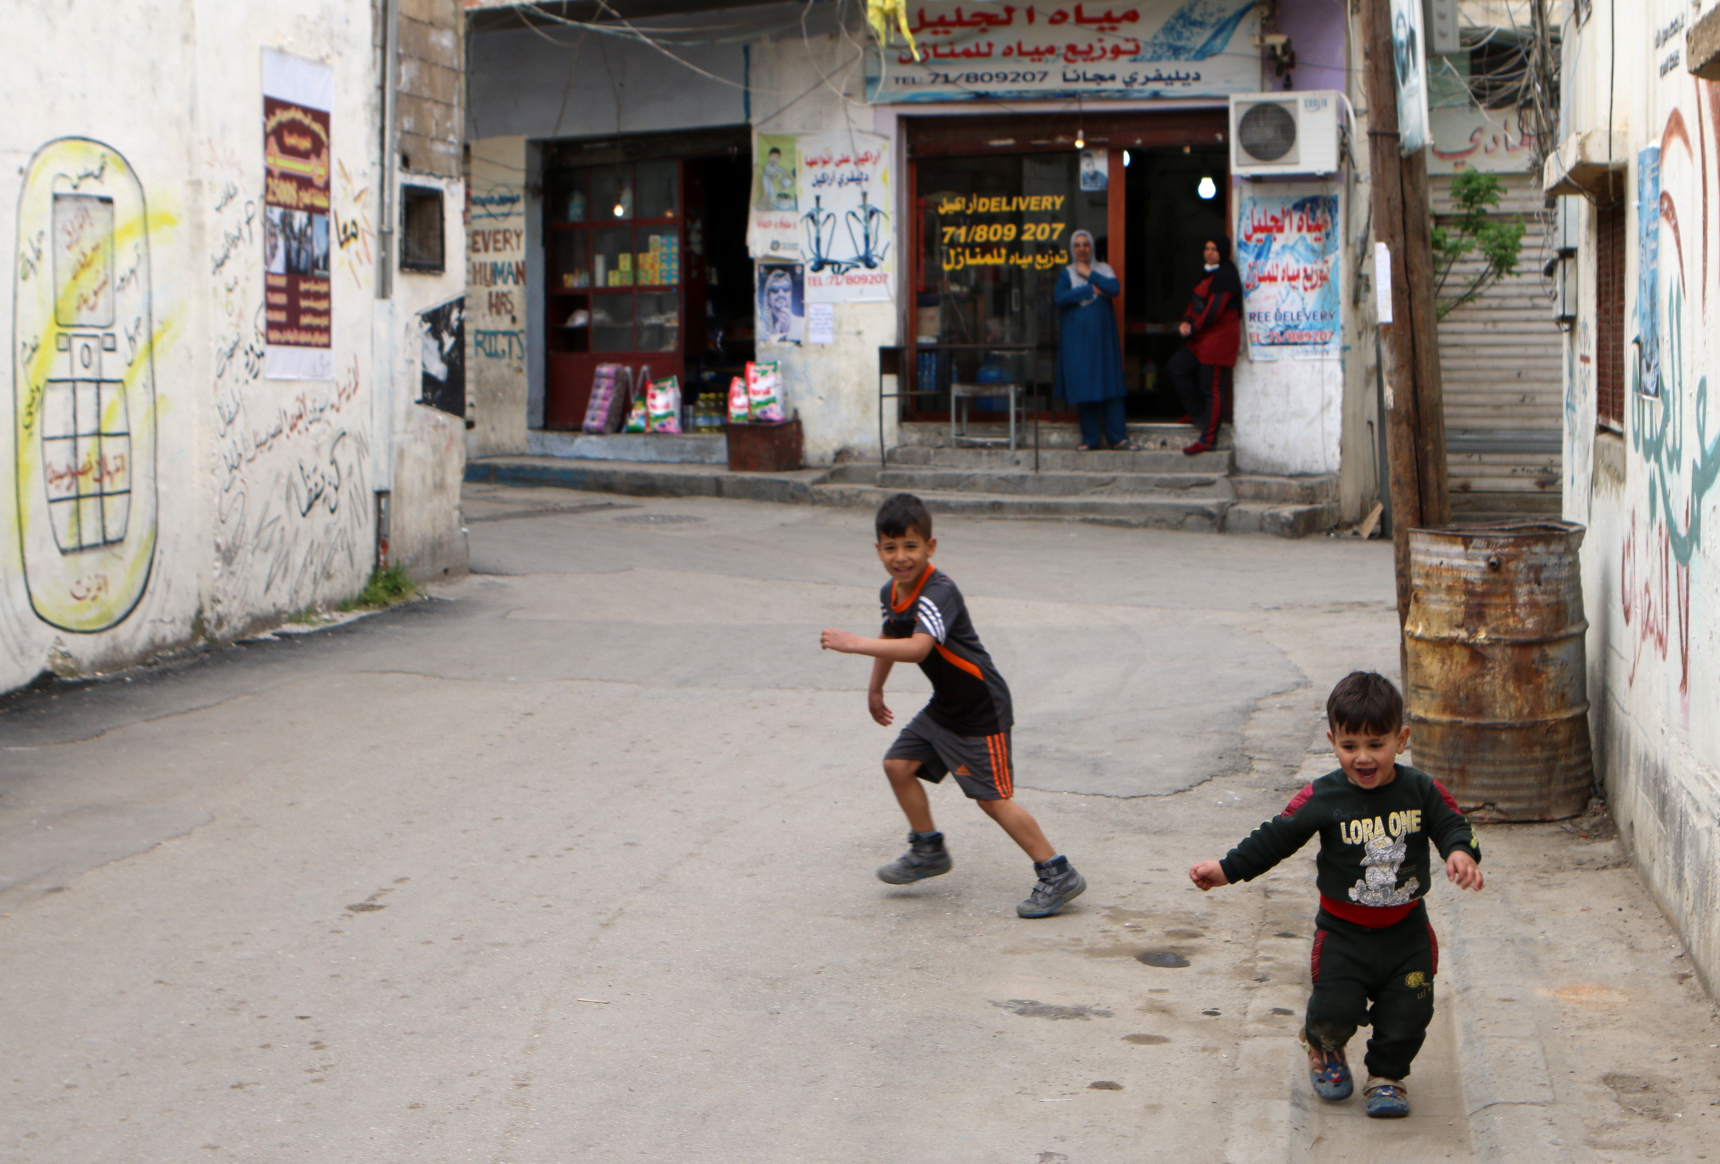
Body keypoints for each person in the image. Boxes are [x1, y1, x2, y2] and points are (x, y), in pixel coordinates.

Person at [1187, 672, 1484, 1120]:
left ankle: (1386, 1077)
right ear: (1333, 741)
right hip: (1343, 935)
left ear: (1401, 739)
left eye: (1376, 744)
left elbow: (1452, 822)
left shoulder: (1420, 790)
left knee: (1410, 1011)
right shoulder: (1323, 796)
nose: (1363, 758)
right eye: (1349, 746)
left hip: (1408, 935)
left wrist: (1461, 852)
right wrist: (1228, 869)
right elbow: (1277, 837)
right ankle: (1324, 1047)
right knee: (1333, 1009)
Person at [819, 493, 1088, 918]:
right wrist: (875, 690)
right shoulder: (892, 592)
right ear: (878, 550)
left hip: (981, 710)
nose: (901, 557)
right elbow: (891, 641)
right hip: (946, 705)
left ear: (930, 547)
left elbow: (919, 647)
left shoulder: (937, 591)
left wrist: (851, 644)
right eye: (891, 547)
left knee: (992, 799)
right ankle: (927, 849)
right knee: (898, 765)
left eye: (911, 546)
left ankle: (1058, 872)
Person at [1054, 230, 1136, 451]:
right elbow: (1060, 298)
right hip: (1079, 343)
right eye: (1078, 245)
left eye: (1086, 245)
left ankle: (1118, 438)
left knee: (1110, 385)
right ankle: (1090, 439)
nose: (1082, 249)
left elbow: (1113, 289)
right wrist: (1090, 288)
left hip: (1103, 342)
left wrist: (1089, 273)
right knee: (1085, 386)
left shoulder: (1104, 269)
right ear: (1072, 249)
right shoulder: (1067, 273)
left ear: (1092, 248)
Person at [1168, 235, 1243, 456]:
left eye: (1214, 249)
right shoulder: (1208, 275)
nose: (1209, 252)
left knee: (1213, 388)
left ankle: (1208, 439)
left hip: (1218, 340)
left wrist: (1193, 328)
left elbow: (1213, 312)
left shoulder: (1226, 276)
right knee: (1176, 367)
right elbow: (1195, 304)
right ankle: (1196, 413)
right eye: (1206, 248)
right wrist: (1185, 321)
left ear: (1223, 252)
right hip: (1201, 338)